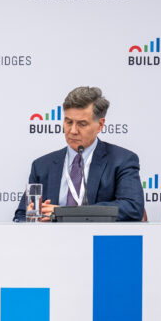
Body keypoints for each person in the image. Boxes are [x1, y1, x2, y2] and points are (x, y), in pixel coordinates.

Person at [14, 86, 145, 222]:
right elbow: (20, 216)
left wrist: (62, 213)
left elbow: (132, 208)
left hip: (98, 240)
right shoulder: (42, 166)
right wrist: (32, 217)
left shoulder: (121, 160)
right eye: (68, 122)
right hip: (52, 241)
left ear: (100, 125)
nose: (73, 130)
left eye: (82, 124)